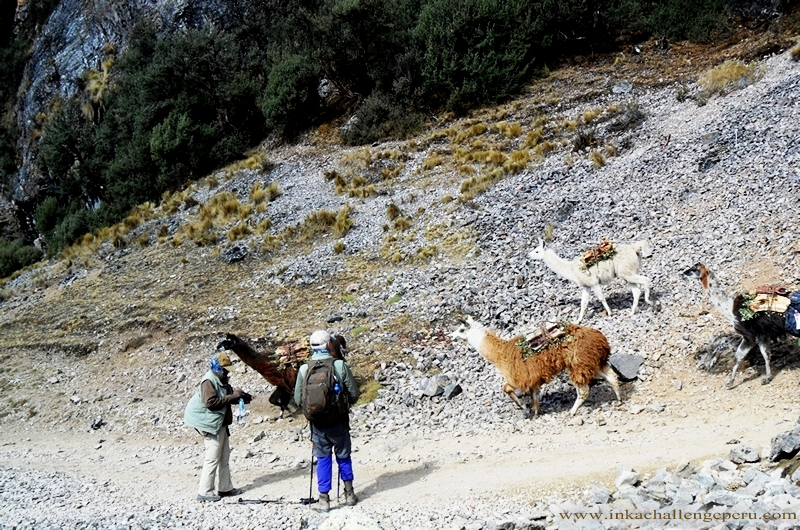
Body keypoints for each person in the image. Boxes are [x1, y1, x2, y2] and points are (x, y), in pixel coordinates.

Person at [294, 330, 360, 512]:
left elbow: (298, 400)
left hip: (317, 425)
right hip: (338, 421)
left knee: (323, 459)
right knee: (344, 456)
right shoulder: (339, 365)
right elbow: (354, 393)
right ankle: (349, 494)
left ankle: (324, 500)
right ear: (329, 344)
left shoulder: (304, 369)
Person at [183, 352, 250, 502]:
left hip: (219, 422)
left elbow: (225, 398)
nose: (227, 371)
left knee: (224, 455)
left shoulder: (221, 379)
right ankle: (204, 492)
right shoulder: (208, 381)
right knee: (212, 458)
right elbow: (211, 403)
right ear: (218, 367)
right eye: (225, 368)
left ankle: (225, 488)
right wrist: (233, 397)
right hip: (208, 423)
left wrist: (241, 397)